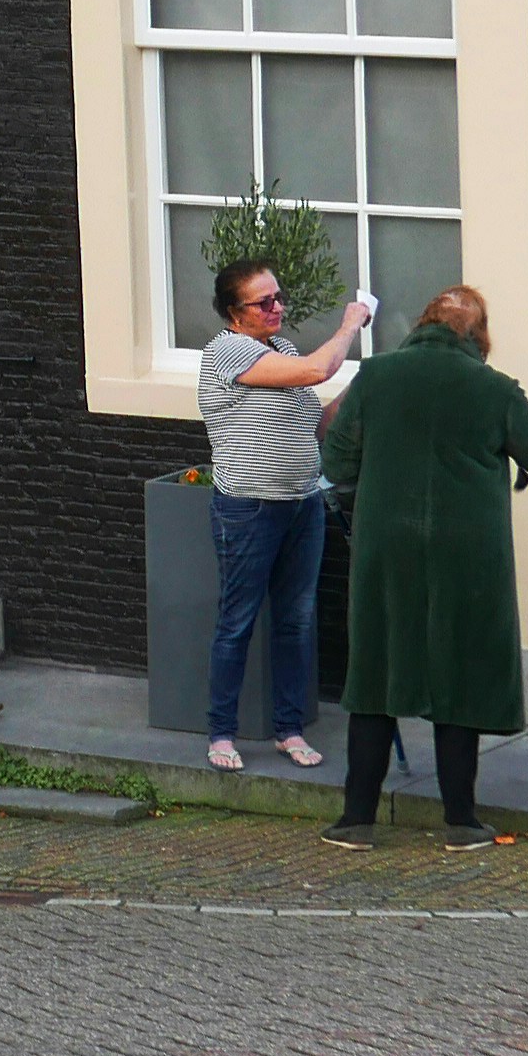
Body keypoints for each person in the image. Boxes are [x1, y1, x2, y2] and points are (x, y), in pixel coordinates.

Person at [316, 283, 528, 851]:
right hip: (468, 553)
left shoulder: (376, 376)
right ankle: (460, 821)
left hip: (387, 547)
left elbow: (336, 458)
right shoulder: (493, 388)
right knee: (462, 673)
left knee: (377, 674)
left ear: (423, 322)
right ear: (479, 337)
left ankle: (356, 819)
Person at [198, 259, 372, 770]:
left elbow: (309, 426)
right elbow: (318, 369)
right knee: (238, 620)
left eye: (279, 298)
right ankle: (221, 733)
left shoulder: (285, 350)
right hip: (249, 507)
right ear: (235, 313)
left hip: (302, 502)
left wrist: (355, 394)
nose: (277, 308)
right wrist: (350, 326)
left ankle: (289, 730)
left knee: (297, 620)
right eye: (264, 302)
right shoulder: (227, 351)